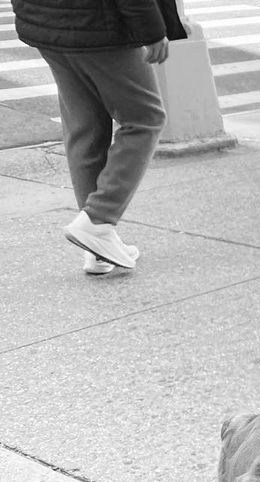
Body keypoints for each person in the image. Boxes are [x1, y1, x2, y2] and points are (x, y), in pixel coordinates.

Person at [11, 0, 185, 275]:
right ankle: (98, 219)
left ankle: (96, 248)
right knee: (145, 119)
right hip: (101, 24)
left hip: (45, 21)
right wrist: (152, 30)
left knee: (86, 128)